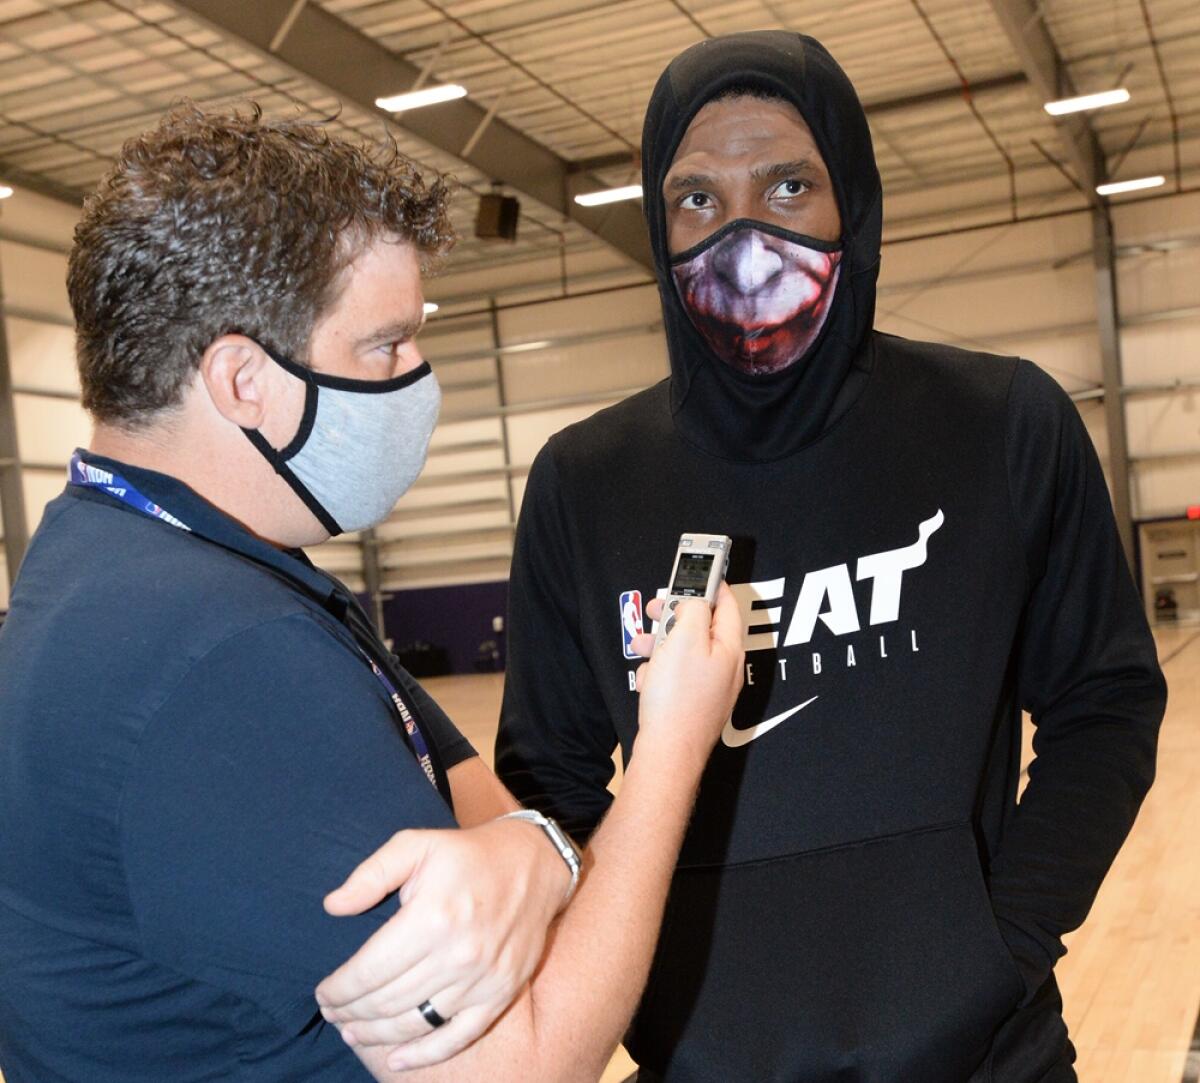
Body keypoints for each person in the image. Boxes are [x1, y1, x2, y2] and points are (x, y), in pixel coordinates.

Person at [0, 103, 744, 1083]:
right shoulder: (223, 657)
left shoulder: (155, 564)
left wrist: (534, 855)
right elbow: (525, 1064)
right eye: (385, 347)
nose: (417, 377)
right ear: (243, 381)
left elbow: (483, 808)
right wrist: (670, 748)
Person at [481, 31, 1163, 1082]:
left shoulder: (1002, 424)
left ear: (855, 199)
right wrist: (640, 997)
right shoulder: (584, 482)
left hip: (987, 1055)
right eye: (697, 199)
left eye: (788, 186)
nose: (742, 237)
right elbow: (551, 780)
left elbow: (1105, 705)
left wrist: (999, 947)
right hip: (703, 1064)